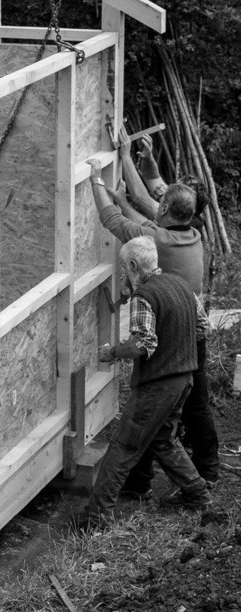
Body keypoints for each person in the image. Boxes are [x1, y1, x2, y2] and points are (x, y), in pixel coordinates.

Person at [90, 148, 219, 488]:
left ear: (166, 210)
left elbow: (114, 221)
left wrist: (95, 181)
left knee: (152, 404)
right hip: (194, 330)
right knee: (190, 404)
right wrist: (124, 195)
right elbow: (148, 211)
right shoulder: (193, 234)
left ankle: (168, 477)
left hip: (170, 333)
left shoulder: (155, 241)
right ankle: (203, 470)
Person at [84, 237, 211, 527]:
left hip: (157, 385)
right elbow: (203, 327)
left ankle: (97, 516)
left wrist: (113, 353)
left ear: (132, 265)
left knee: (124, 446)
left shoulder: (146, 296)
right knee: (164, 441)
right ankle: (198, 494)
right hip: (184, 379)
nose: (124, 272)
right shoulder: (181, 285)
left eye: (123, 267)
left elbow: (143, 344)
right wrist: (177, 348)